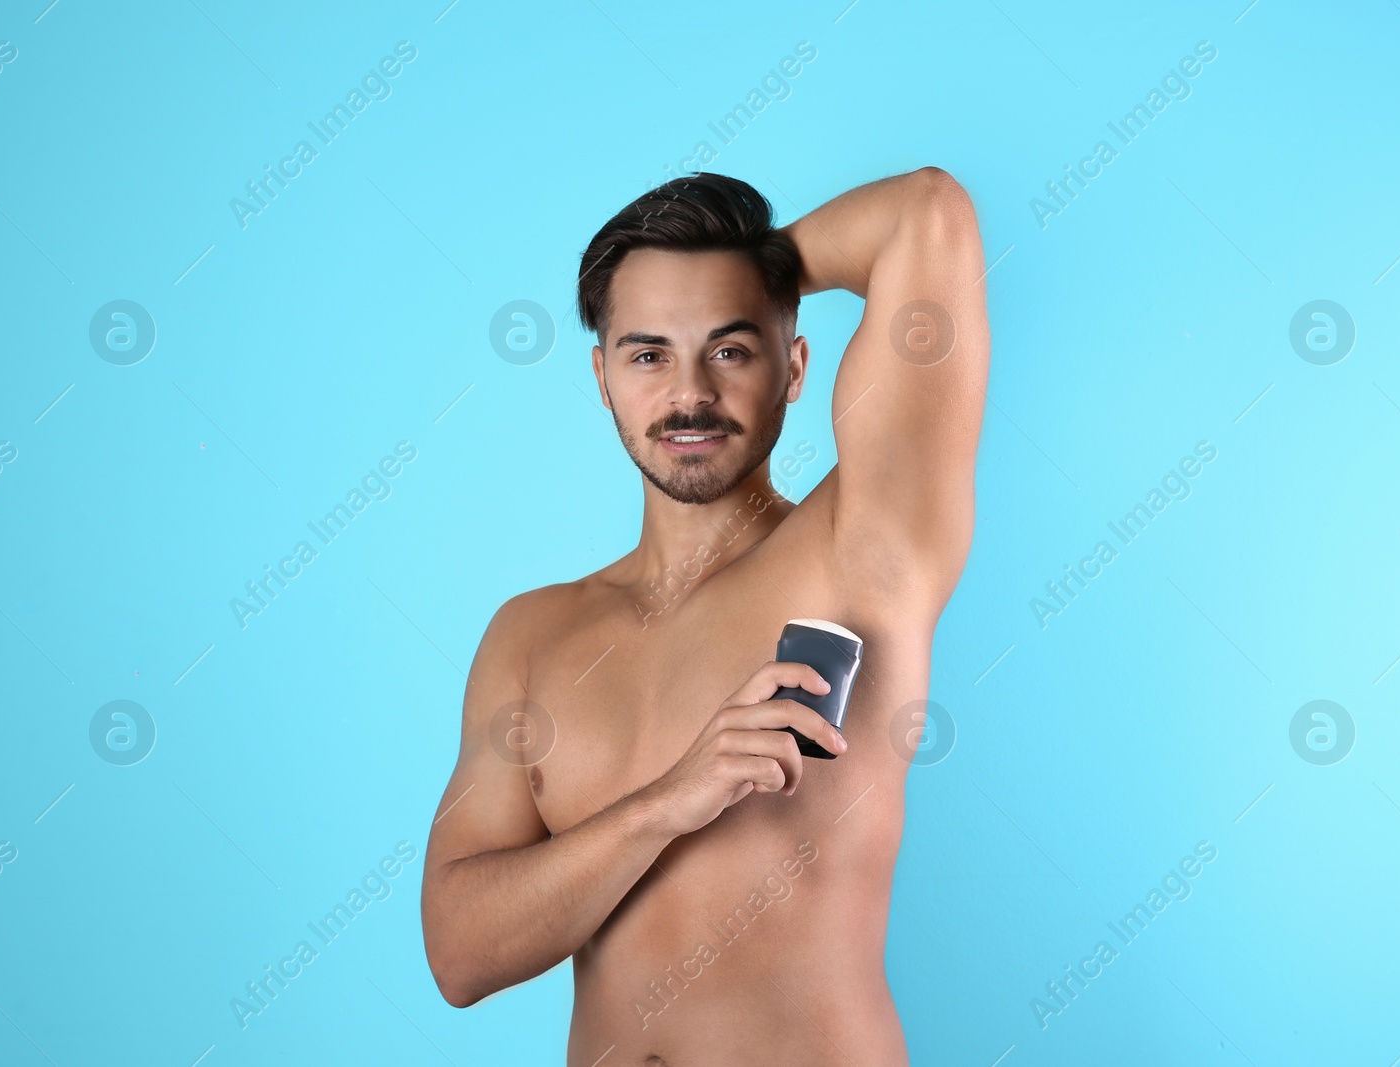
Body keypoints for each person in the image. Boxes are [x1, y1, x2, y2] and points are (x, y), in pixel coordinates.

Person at [421, 167, 987, 1065]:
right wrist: (669, 802)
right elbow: (460, 953)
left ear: (793, 366)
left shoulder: (864, 551)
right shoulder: (530, 637)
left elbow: (927, 212)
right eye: (649, 353)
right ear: (602, 377)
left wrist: (761, 267)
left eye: (730, 349)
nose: (689, 393)